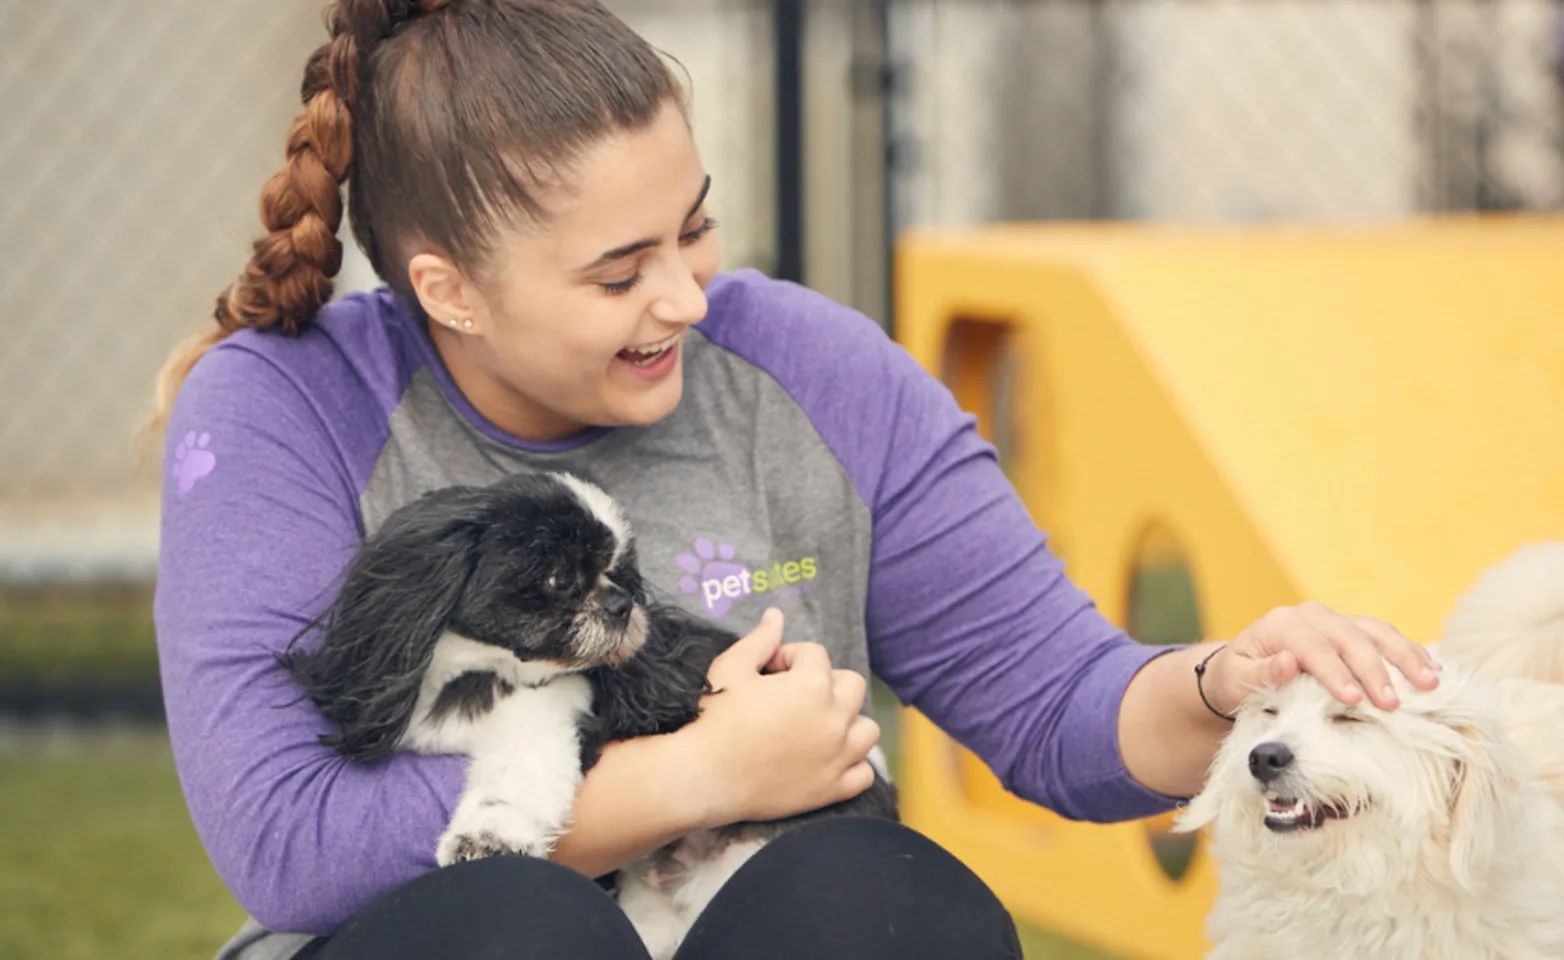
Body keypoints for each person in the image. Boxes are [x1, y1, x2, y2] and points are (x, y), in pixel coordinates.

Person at [150, 2, 1441, 958]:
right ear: (448, 289)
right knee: (515, 930)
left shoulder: (810, 368)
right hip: (449, 936)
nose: (685, 295)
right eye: (618, 273)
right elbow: (289, 837)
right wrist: (699, 777)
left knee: (885, 907)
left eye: (695, 227)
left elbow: (1057, 705)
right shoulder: (280, 406)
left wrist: (1226, 684)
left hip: (741, 906)